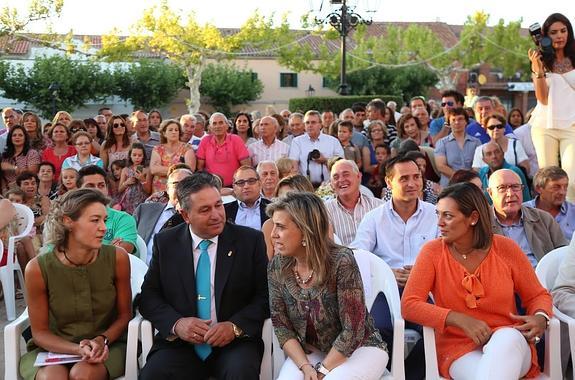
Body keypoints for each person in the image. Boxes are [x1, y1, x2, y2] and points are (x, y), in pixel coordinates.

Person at [402, 183, 553, 379]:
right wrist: (458, 319)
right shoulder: (432, 252)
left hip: (511, 342)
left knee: (505, 339)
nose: (439, 223)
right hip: (459, 349)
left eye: (448, 216)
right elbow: (409, 304)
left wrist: (541, 317)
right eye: (437, 214)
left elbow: (537, 295)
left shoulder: (505, 248)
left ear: (473, 218)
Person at [138, 172, 269, 380]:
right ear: (186, 215)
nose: (216, 214)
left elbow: (265, 296)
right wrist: (177, 324)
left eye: (218, 205)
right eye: (205, 210)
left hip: (233, 343)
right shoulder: (167, 243)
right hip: (180, 345)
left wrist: (234, 327)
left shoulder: (249, 241)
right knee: (153, 375)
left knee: (241, 372)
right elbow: (148, 297)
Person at [268, 192, 388, 379]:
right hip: (311, 351)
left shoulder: (341, 261)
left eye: (280, 227)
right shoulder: (277, 265)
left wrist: (322, 370)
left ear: (305, 231)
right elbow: (281, 325)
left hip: (360, 349)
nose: (273, 234)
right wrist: (305, 367)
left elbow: (353, 330)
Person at [20, 189, 132, 380]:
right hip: (54, 347)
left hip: (109, 344)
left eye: (104, 220)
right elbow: (39, 332)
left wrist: (101, 340)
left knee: (83, 375)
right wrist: (77, 349)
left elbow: (124, 316)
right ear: (67, 221)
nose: (104, 227)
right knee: (52, 378)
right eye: (95, 220)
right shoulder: (38, 268)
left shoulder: (117, 258)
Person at [529, 13, 575, 201]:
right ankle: (548, 223)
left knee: (571, 182)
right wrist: (538, 70)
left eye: (563, 31)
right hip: (544, 126)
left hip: (571, 126)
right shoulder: (541, 60)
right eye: (554, 32)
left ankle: (570, 226)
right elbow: (543, 99)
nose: (559, 36)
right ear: (545, 35)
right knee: (548, 182)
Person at [488, 169, 567, 267]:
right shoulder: (482, 225)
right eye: (502, 188)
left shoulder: (543, 219)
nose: (510, 193)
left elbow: (564, 255)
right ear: (490, 193)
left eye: (515, 187)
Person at [133, 167, 193, 264]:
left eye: (187, 185)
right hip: (140, 270)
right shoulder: (144, 210)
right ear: (167, 188)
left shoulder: (196, 217)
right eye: (176, 184)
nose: (182, 189)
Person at [77, 165, 137, 254]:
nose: (97, 190)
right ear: (78, 190)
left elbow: (120, 253)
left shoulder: (123, 219)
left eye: (101, 185)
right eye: (90, 186)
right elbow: (55, 252)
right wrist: (109, 248)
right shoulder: (70, 218)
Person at [324, 159, 382, 246]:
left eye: (346, 174)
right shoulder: (325, 211)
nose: (341, 180)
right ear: (331, 184)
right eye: (336, 177)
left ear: (359, 177)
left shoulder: (379, 207)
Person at [288, 110, 345, 188]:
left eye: (313, 122)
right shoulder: (297, 141)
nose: (310, 125)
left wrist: (325, 160)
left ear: (320, 125)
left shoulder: (333, 141)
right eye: (307, 123)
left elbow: (342, 164)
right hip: (305, 187)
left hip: (329, 186)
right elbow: (294, 166)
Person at [196, 112, 251, 187]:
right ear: (210, 127)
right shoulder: (205, 141)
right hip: (211, 186)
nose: (218, 126)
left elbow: (246, 166)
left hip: (235, 186)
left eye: (221, 123)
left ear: (227, 125)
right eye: (214, 123)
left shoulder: (235, 140)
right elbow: (200, 168)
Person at [524, 166, 575, 241]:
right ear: (539, 188)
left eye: (565, 187)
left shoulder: (573, 211)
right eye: (556, 187)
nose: (562, 192)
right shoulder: (524, 211)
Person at [434, 108, 481, 187]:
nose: (457, 122)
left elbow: (478, 166)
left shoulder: (476, 142)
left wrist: (469, 181)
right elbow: (440, 166)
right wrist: (461, 179)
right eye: (453, 120)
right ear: (449, 123)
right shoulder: (442, 143)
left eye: (460, 119)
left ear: (466, 121)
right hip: (449, 186)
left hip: (471, 186)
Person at [150, 119, 196, 193]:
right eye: (170, 130)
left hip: (180, 188)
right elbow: (154, 169)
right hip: (159, 190)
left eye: (176, 130)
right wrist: (178, 169)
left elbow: (189, 170)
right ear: (164, 133)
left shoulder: (187, 148)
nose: (174, 132)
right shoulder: (158, 149)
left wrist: (162, 169)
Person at [224, 166, 271, 230]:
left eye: (251, 181)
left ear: (260, 184)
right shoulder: (224, 211)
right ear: (234, 187)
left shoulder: (273, 209)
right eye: (241, 182)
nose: (246, 186)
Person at [1, 125, 41, 190]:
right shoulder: (5, 155)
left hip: (24, 189)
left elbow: (30, 174)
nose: (17, 137)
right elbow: (2, 167)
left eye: (20, 135)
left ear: (25, 138)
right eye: (14, 135)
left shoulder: (32, 153)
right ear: (10, 138)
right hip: (5, 190)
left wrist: (15, 169)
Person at [118, 142, 152, 214]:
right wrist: (126, 183)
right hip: (127, 203)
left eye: (140, 155)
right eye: (134, 155)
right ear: (130, 155)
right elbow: (119, 189)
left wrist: (142, 179)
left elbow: (148, 190)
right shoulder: (125, 170)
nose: (137, 157)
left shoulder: (146, 170)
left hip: (141, 202)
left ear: (143, 156)